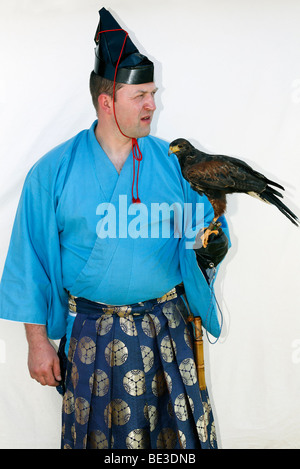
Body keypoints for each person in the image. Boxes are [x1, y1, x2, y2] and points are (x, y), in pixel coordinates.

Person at [0, 8, 229, 449]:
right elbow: (29, 263)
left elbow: (205, 236)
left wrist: (210, 246)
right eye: (140, 95)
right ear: (108, 101)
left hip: (166, 329)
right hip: (92, 335)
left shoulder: (175, 165)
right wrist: (37, 343)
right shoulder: (52, 172)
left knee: (177, 446)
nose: (152, 105)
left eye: (153, 93)